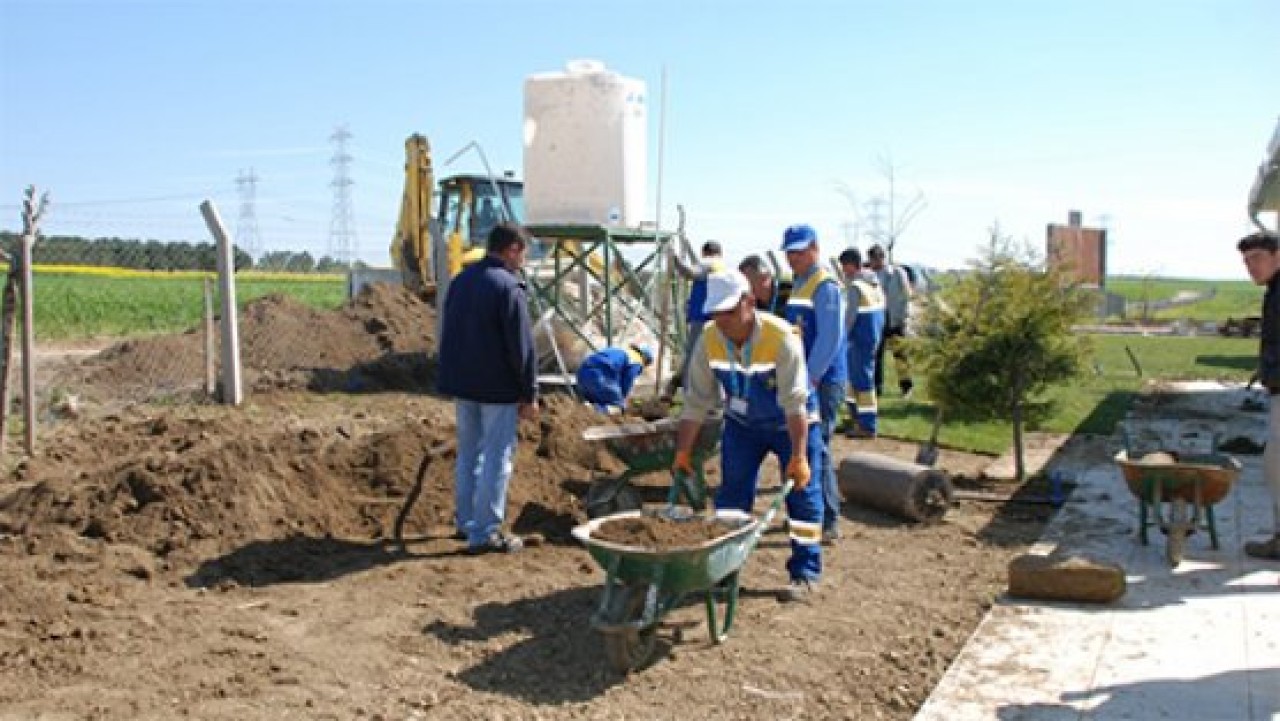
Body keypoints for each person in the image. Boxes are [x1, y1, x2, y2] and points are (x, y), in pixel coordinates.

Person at [672, 271, 824, 601]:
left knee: (802, 497)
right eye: (716, 313)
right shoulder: (709, 339)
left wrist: (799, 456)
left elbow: (795, 404)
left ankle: (805, 573)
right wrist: (683, 451)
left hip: (790, 424)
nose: (722, 321)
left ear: (750, 302)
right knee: (731, 498)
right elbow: (696, 401)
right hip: (742, 425)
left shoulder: (781, 338)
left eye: (729, 311)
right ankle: (723, 571)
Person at [437, 221, 539, 555]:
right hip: (497, 388)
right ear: (512, 249)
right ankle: (484, 533)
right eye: (523, 253)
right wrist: (529, 393)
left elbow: (449, 333)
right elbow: (522, 347)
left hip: (463, 384)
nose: (524, 260)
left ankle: (466, 522)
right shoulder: (508, 287)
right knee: (497, 457)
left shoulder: (461, 281)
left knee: (469, 454)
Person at [781, 224, 847, 545]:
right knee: (805, 447)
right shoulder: (798, 283)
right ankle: (808, 513)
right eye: (789, 252)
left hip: (822, 379)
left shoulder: (825, 286)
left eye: (799, 251)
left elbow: (829, 339)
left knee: (818, 447)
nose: (793, 257)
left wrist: (809, 379)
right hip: (803, 376)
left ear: (815, 249)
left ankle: (828, 519)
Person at [1238, 230, 1280, 560]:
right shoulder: (1274, 291)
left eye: (1257, 258)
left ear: (1278, 256)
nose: (1251, 266)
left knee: (1276, 464)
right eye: (1246, 261)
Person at [838, 248, 886, 438]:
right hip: (872, 337)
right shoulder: (874, 284)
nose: (843, 270)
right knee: (854, 380)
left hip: (858, 339)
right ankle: (854, 419)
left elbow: (849, 318)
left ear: (851, 265)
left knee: (862, 381)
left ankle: (867, 425)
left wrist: (841, 338)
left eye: (844, 266)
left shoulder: (856, 287)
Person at [669, 240, 725, 395]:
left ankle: (689, 392)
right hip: (718, 318)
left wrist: (675, 259)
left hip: (702, 319)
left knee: (694, 356)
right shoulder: (723, 267)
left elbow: (690, 273)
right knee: (716, 358)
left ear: (705, 253)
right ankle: (716, 395)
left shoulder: (709, 262)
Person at [867, 244, 915, 399]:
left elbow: (907, 295)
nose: (874, 262)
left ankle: (906, 387)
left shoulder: (897, 272)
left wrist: (904, 316)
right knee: (876, 355)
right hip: (878, 319)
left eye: (876, 259)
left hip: (895, 318)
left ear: (882, 257)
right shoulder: (870, 275)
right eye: (871, 259)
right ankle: (877, 388)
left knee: (900, 355)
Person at [575, 343, 654, 414]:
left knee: (597, 400)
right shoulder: (637, 360)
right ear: (644, 358)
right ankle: (594, 412)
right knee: (617, 406)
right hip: (601, 374)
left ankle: (586, 409)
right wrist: (622, 398)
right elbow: (628, 379)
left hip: (582, 373)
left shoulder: (624, 351)